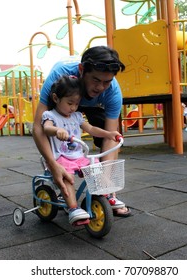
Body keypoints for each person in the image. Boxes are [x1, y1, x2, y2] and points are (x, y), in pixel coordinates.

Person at [33, 46, 131, 217]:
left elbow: (111, 135)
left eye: (106, 82)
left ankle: (106, 193)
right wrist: (53, 165)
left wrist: (106, 184)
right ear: (81, 70)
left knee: (108, 135)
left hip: (94, 105)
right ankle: (65, 187)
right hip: (67, 94)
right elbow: (37, 128)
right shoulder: (59, 78)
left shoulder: (112, 91)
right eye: (95, 80)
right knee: (53, 132)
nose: (100, 87)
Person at [42, 75, 122, 224]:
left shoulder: (77, 116)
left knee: (96, 168)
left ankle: (106, 194)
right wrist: (56, 130)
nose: (73, 107)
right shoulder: (50, 115)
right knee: (67, 178)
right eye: (70, 103)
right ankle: (73, 208)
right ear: (55, 98)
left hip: (78, 156)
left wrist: (109, 133)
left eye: (77, 103)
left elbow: (91, 129)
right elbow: (46, 128)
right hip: (61, 157)